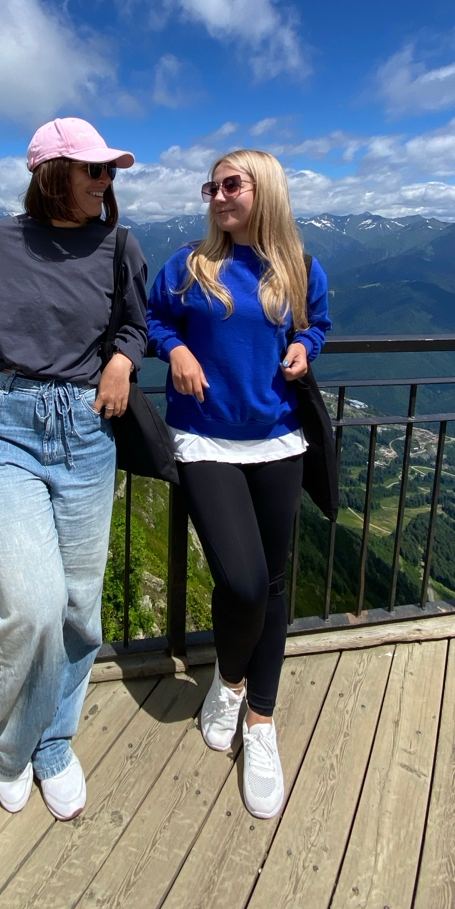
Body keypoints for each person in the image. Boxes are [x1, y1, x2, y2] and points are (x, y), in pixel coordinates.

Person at [0, 118, 148, 820]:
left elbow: (135, 323)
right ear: (53, 174)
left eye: (109, 170)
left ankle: (53, 741)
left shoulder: (119, 245)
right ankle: (11, 742)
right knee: (32, 603)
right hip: (3, 425)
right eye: (93, 169)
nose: (105, 181)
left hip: (85, 426)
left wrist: (122, 360)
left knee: (78, 607)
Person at [146, 149, 331, 819]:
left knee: (273, 584)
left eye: (231, 185)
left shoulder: (300, 268)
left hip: (279, 439)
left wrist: (306, 346)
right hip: (205, 440)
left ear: (266, 190)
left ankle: (260, 719)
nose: (218, 196)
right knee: (245, 583)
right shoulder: (188, 265)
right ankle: (228, 680)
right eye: (212, 187)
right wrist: (176, 349)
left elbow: (318, 324)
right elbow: (153, 321)